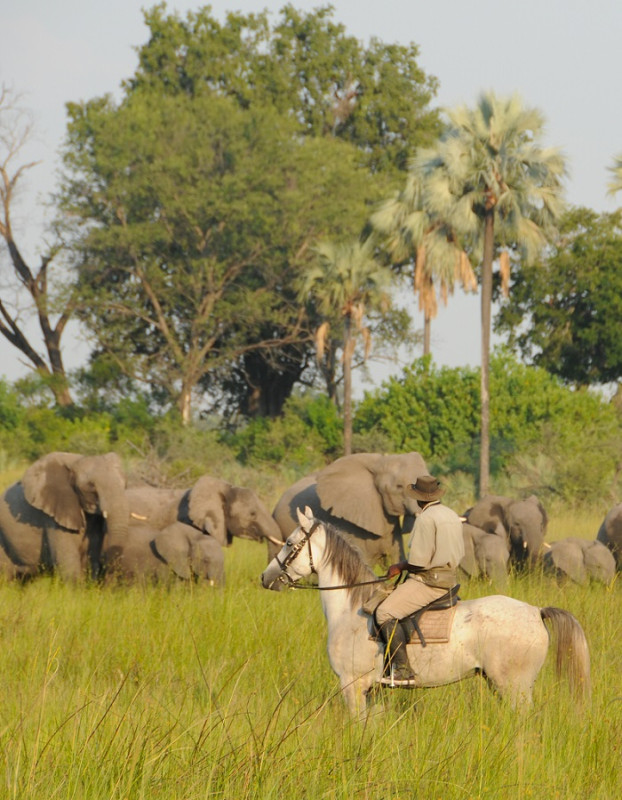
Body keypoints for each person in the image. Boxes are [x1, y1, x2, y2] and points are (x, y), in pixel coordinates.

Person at [375, 474, 465, 687]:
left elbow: (419, 561)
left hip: (429, 581)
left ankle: (404, 670)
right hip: (449, 578)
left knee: (383, 612)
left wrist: (399, 566)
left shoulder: (426, 518)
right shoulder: (451, 514)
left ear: (418, 498)